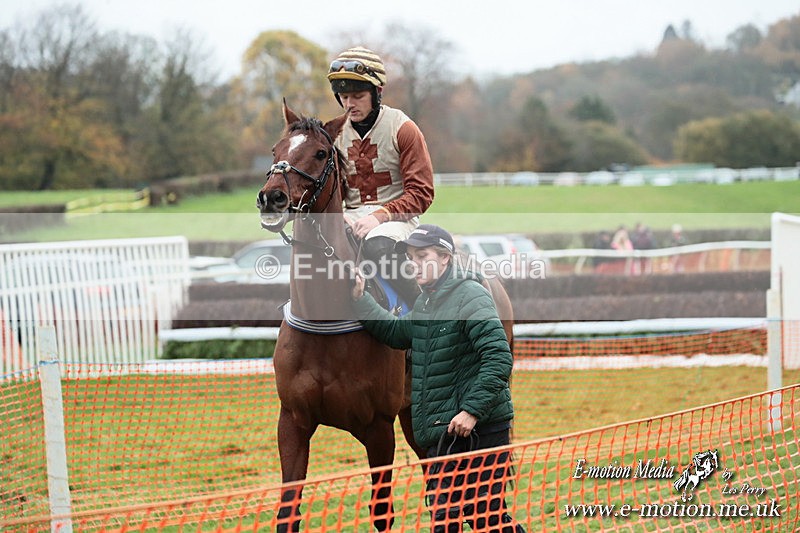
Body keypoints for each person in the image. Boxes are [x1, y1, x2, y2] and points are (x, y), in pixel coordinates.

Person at [350, 224, 526, 533]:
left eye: (422, 256)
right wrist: (360, 298)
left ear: (445, 258)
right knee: (445, 522)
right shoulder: (426, 303)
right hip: (443, 436)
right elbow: (395, 332)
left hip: (480, 430)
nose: (412, 264)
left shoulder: (471, 295)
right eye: (410, 258)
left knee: (487, 518)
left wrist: (471, 411)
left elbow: (498, 358)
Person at [327, 46, 435, 306]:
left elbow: (422, 194)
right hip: (351, 216)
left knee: (377, 244)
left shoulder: (404, 129)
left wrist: (380, 216)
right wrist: (335, 214)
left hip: (397, 220)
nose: (349, 104)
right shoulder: (333, 134)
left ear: (377, 92)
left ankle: (425, 313)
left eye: (358, 96)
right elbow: (334, 191)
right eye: (343, 97)